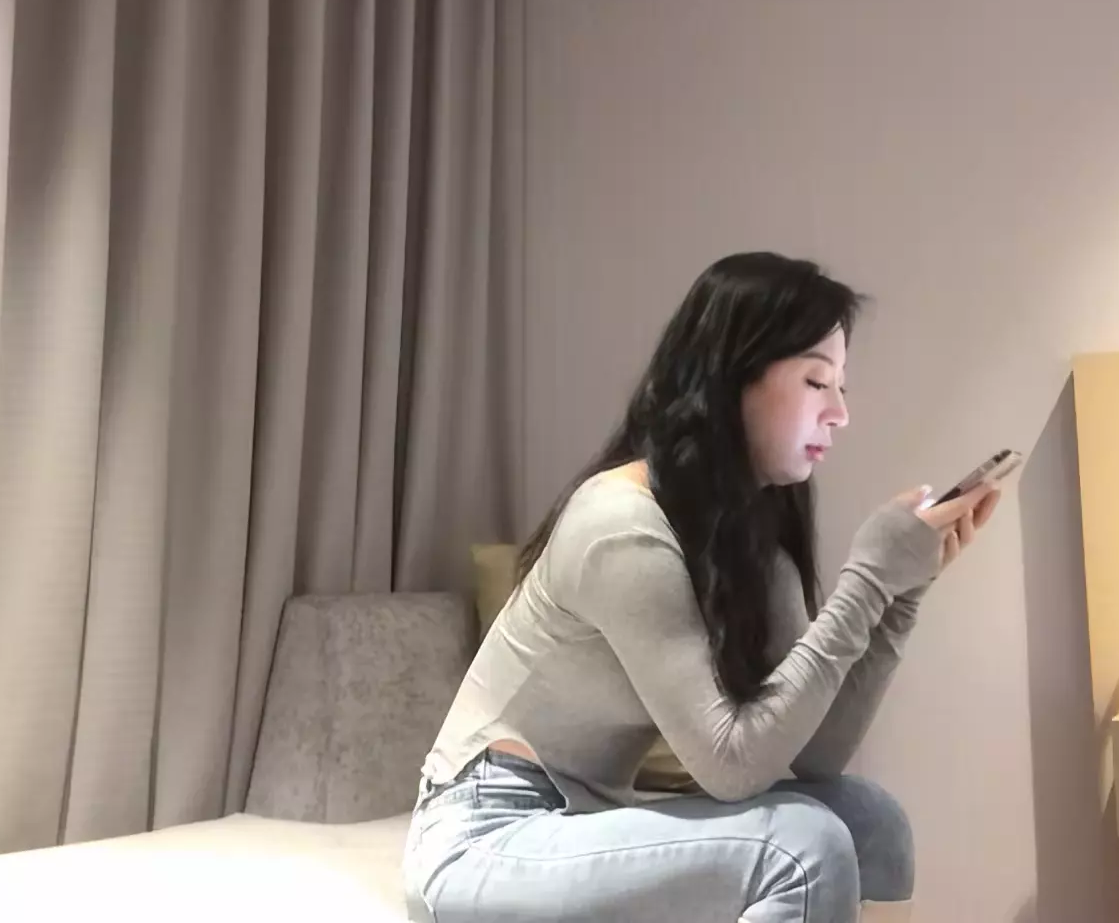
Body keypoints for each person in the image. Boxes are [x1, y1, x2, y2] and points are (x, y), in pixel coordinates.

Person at [402, 252, 1004, 923]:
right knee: (801, 849)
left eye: (841, 386)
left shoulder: (749, 539)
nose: (839, 413)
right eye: (816, 381)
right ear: (733, 378)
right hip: (484, 836)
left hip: (587, 818)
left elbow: (817, 754)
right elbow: (731, 766)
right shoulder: (621, 525)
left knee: (871, 822)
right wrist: (866, 581)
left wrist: (902, 592)